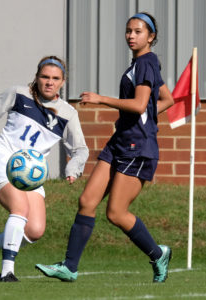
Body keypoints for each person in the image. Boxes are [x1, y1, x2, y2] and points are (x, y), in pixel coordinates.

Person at [35, 13, 174, 283]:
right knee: (87, 201)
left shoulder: (146, 62)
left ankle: (158, 254)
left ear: (151, 37)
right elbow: (166, 99)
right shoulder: (142, 64)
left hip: (138, 148)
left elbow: (138, 104)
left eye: (138, 31)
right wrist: (142, 117)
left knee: (116, 212)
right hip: (120, 142)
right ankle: (70, 267)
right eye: (128, 31)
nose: (131, 36)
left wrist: (102, 100)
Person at [0, 56, 89, 282]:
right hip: (4, 158)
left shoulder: (67, 113)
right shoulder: (19, 94)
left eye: (55, 78)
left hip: (31, 175)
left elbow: (81, 149)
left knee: (34, 231)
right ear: (37, 77)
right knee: (19, 209)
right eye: (44, 77)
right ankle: (7, 272)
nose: (49, 82)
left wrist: (73, 168)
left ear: (63, 82)